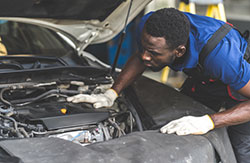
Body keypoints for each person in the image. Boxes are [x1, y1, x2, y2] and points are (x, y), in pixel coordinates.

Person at [67, 8, 250, 162]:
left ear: (179, 51)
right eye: (145, 48)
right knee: (178, 124)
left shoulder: (222, 58)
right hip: (205, 78)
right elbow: (140, 58)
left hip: (241, 85)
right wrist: (112, 93)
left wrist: (210, 121)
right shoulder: (151, 26)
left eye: (153, 53)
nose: (146, 56)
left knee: (240, 148)